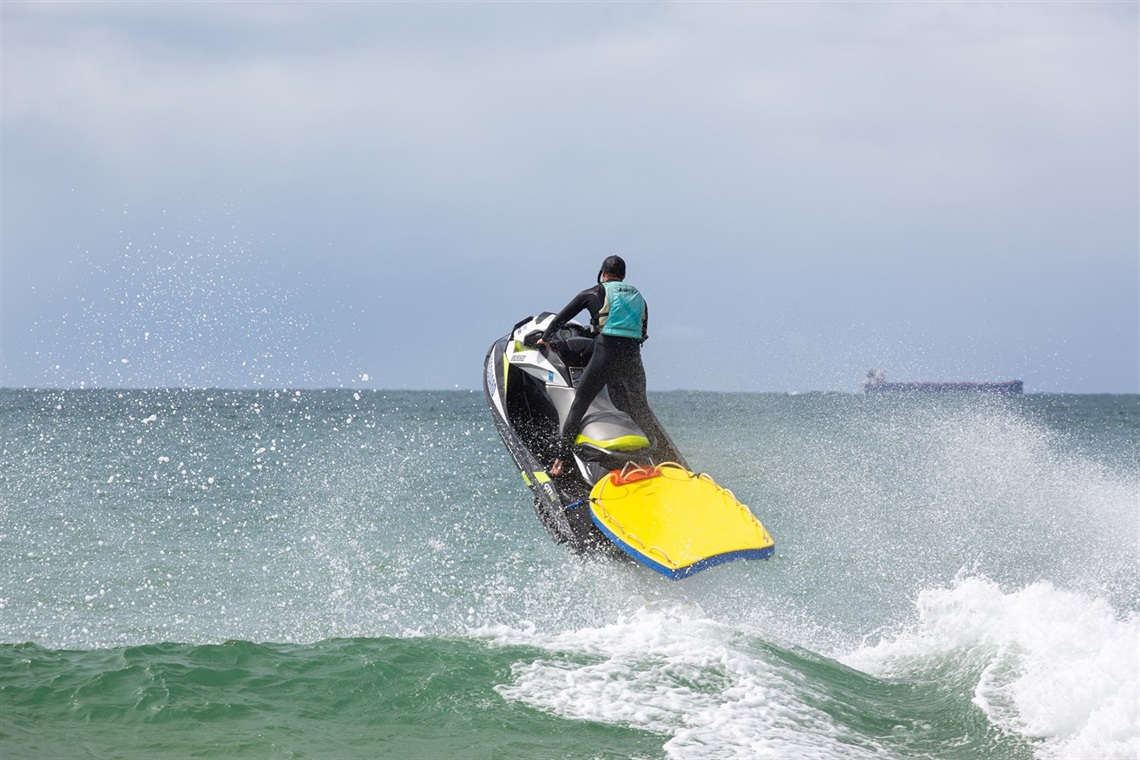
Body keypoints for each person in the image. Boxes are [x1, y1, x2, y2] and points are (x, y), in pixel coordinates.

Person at [537, 255, 654, 476]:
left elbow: (562, 317)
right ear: (624, 276)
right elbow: (643, 331)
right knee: (641, 408)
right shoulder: (638, 297)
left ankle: (559, 462)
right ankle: (655, 456)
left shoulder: (594, 293)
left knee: (580, 404)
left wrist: (545, 337)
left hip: (605, 353)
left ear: (602, 273)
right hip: (632, 357)